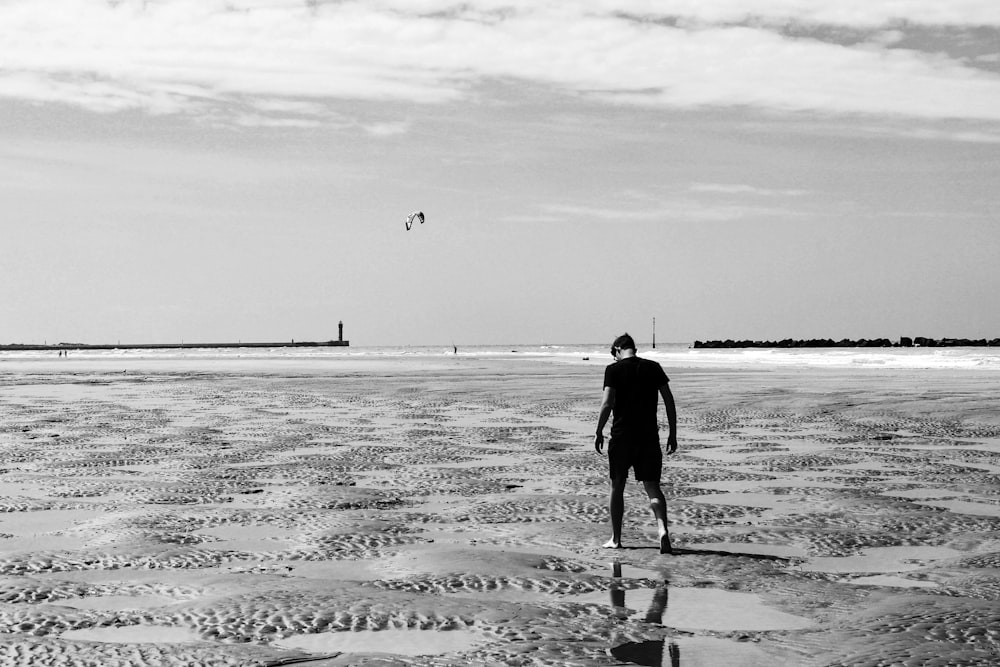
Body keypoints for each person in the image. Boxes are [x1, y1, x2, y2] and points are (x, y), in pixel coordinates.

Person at [594, 333, 678, 554]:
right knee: (652, 488)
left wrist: (598, 431)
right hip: (648, 437)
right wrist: (673, 434)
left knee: (617, 486)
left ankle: (616, 538)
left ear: (618, 349)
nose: (614, 358)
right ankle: (662, 530)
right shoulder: (653, 367)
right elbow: (669, 401)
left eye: (614, 354)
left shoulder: (613, 370)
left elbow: (607, 403)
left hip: (622, 437)